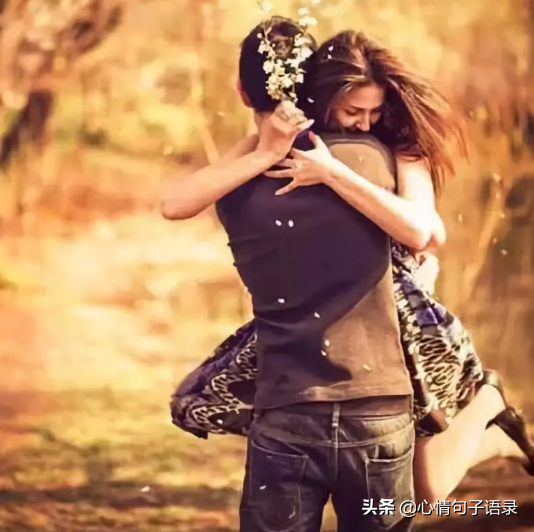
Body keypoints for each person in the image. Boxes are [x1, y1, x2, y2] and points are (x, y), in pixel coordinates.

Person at [162, 21, 534, 527]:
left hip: (403, 326)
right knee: (425, 488)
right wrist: (268, 150)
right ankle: (494, 425)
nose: (363, 123)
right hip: (346, 361)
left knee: (424, 488)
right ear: (322, 98)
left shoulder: (398, 145)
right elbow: (177, 202)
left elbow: (428, 233)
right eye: (353, 111)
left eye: (373, 112)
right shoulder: (276, 149)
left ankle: (487, 404)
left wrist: (334, 173)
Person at [166, 18, 418, 532]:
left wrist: (263, 151)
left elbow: (174, 203)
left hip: (286, 406)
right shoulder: (373, 159)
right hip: (379, 404)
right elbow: (423, 233)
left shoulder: (235, 186)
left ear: (242, 92)